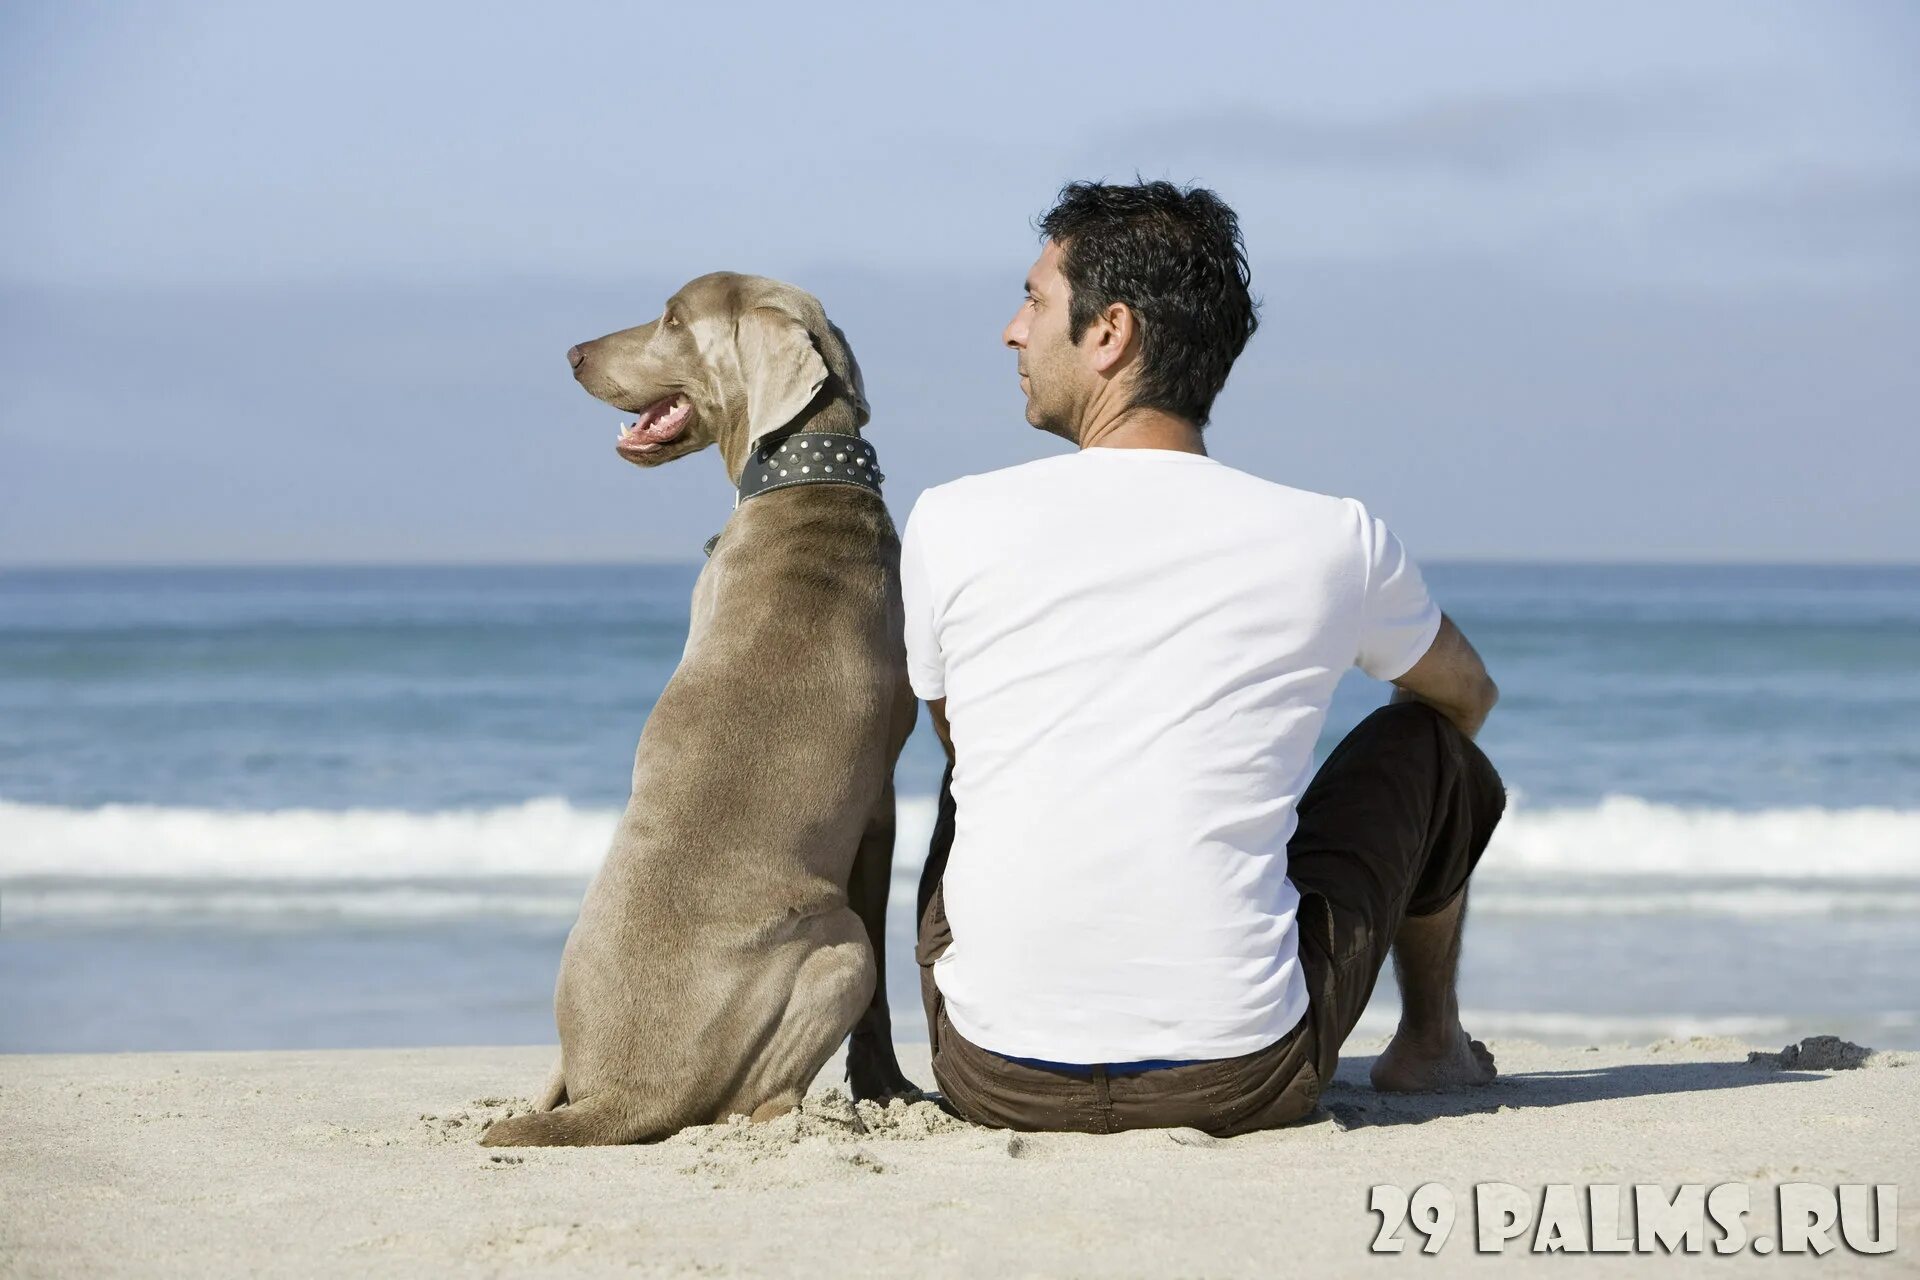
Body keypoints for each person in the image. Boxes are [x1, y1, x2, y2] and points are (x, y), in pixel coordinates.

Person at [900, 180, 1508, 1136]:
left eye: (1033, 300)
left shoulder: (948, 518)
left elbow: (962, 745)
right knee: (1430, 743)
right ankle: (1433, 1042)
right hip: (1238, 1079)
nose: (1012, 331)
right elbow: (1467, 696)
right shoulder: (1330, 537)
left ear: (1111, 333)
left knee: (982, 750)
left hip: (994, 1078)